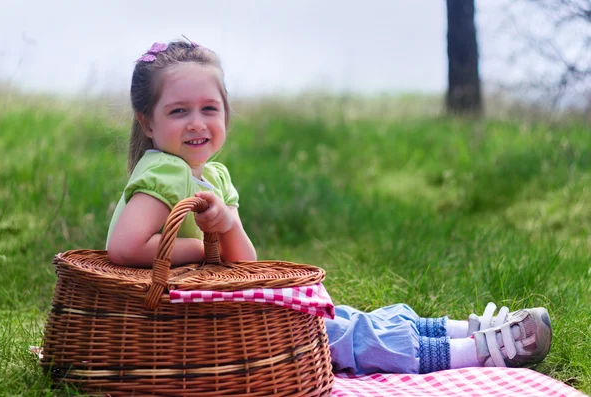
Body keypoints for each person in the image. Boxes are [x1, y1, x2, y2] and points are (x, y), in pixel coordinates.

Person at [106, 39, 552, 375]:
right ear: (147, 121)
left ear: (226, 113)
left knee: (330, 314)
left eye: (210, 108)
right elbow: (125, 249)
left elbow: (245, 262)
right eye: (179, 111)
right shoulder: (163, 172)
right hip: (196, 324)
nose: (198, 123)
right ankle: (470, 355)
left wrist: (226, 223)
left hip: (226, 305)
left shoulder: (214, 176)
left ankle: (452, 329)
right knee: (327, 333)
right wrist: (202, 250)